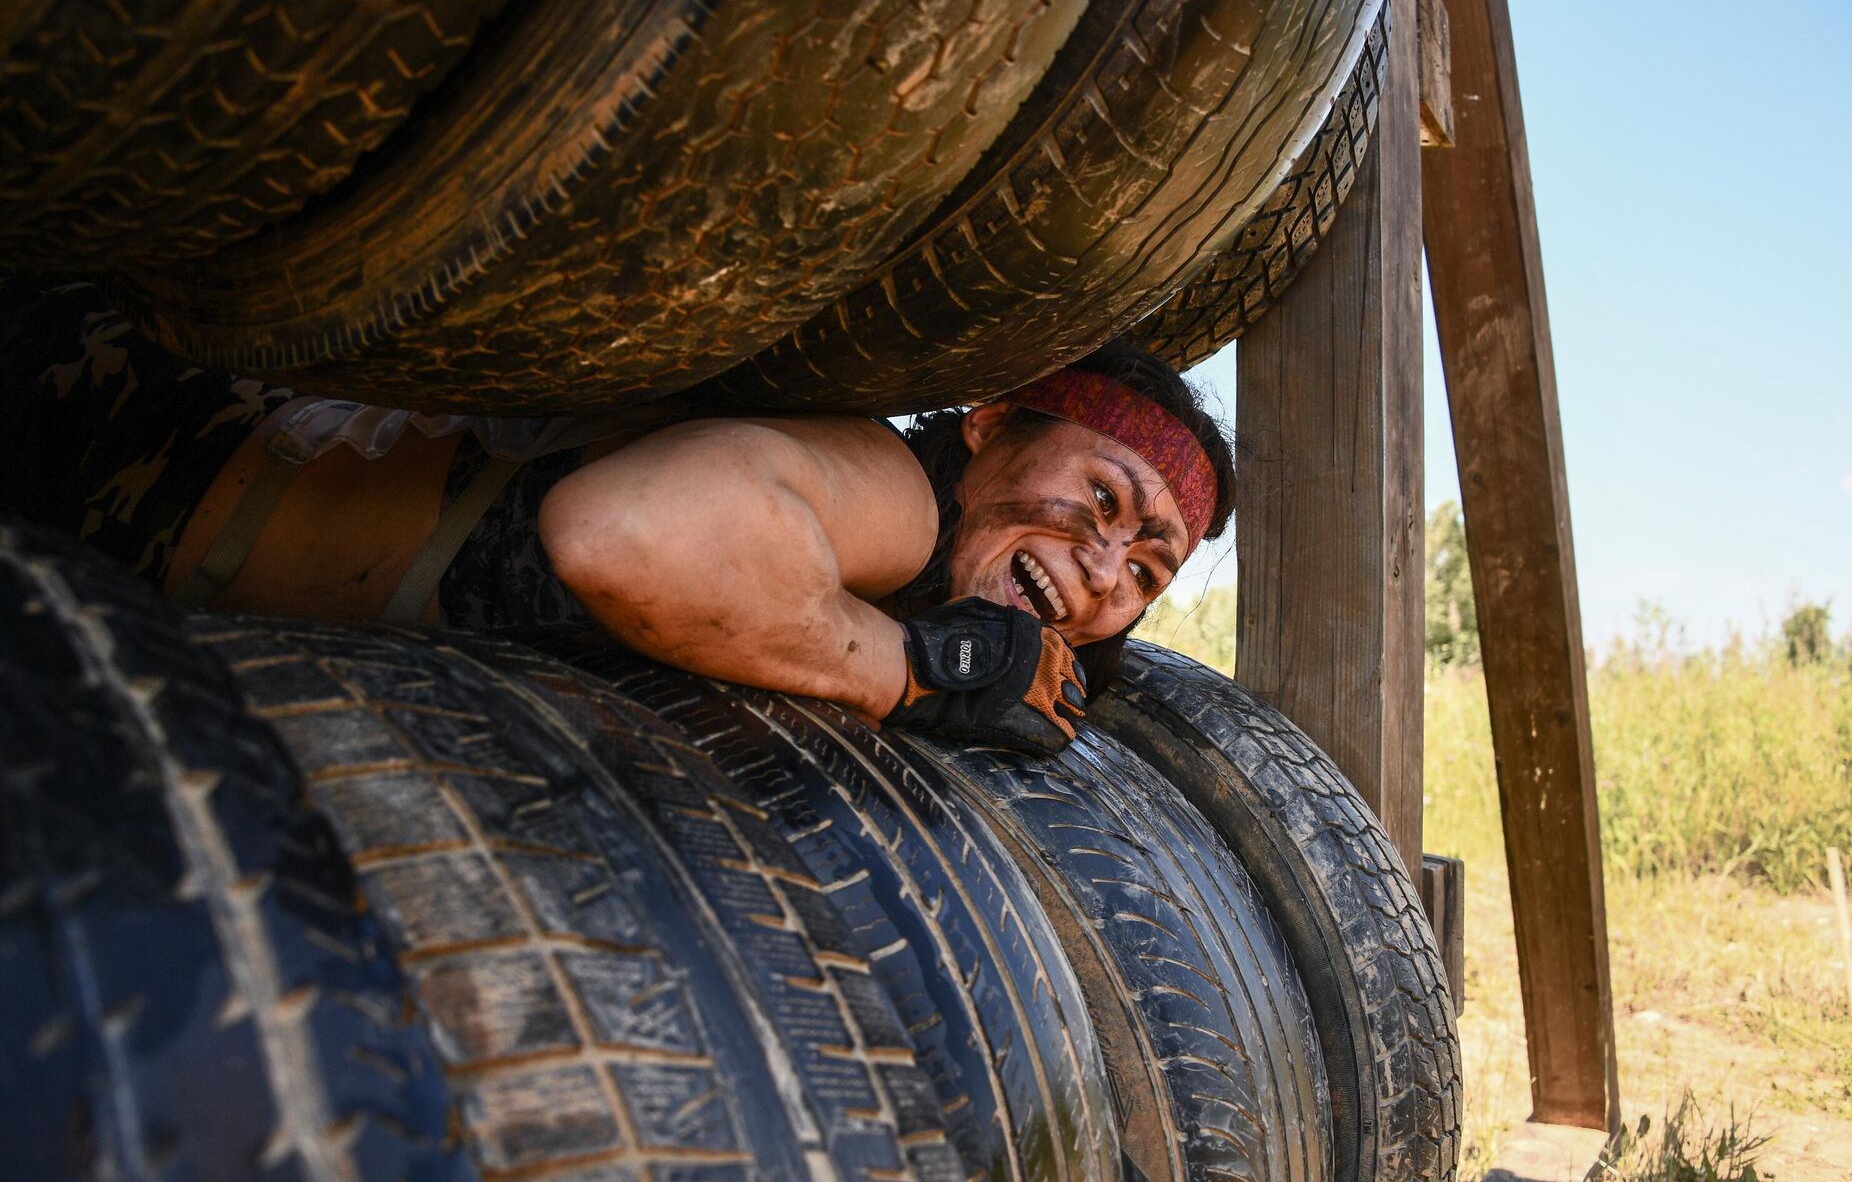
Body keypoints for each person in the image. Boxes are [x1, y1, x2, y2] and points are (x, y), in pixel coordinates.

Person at [1, 278, 1235, 753]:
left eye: (1147, 566)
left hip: (118, 547)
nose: (1103, 563)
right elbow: (628, 535)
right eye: (1101, 497)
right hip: (106, 438)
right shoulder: (901, 493)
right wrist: (920, 670)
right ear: (991, 427)